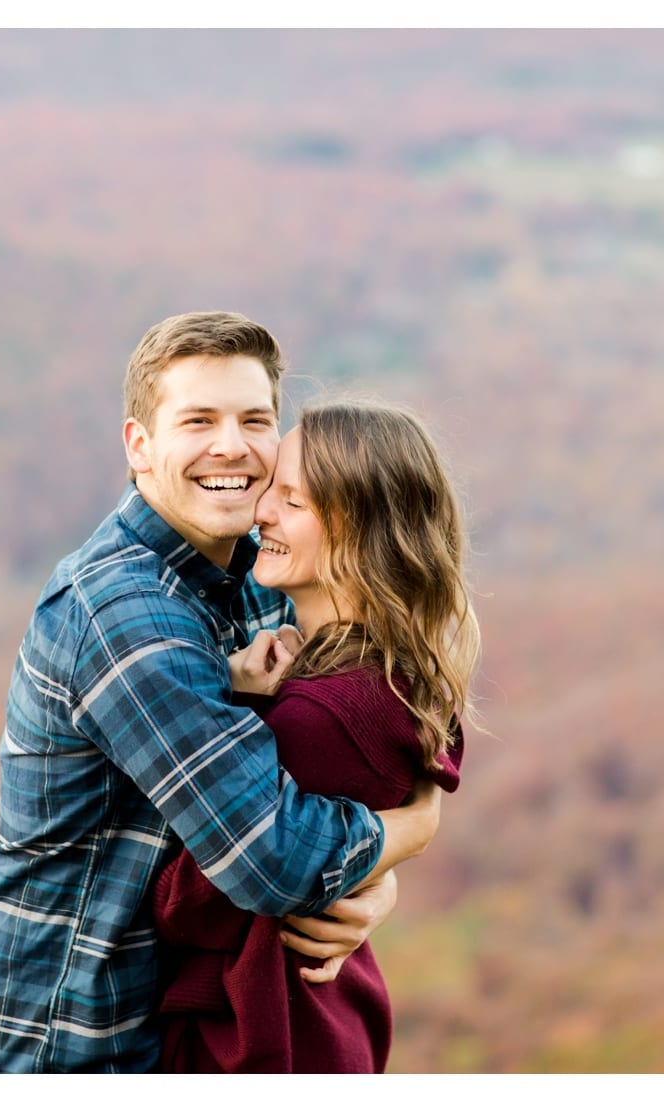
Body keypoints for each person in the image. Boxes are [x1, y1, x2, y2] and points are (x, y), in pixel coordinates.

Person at [0, 313, 444, 1073]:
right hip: (62, 1032)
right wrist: (412, 829)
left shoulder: (258, 567)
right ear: (139, 446)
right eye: (199, 420)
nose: (232, 447)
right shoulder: (125, 616)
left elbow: (330, 752)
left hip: (161, 1017)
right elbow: (271, 857)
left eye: (255, 420)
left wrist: (376, 888)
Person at [153, 400, 482, 1074]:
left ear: (359, 532)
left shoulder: (319, 717)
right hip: (328, 1031)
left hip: (271, 1048)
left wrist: (226, 717)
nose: (261, 513)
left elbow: (182, 907)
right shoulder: (389, 674)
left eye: (291, 500)